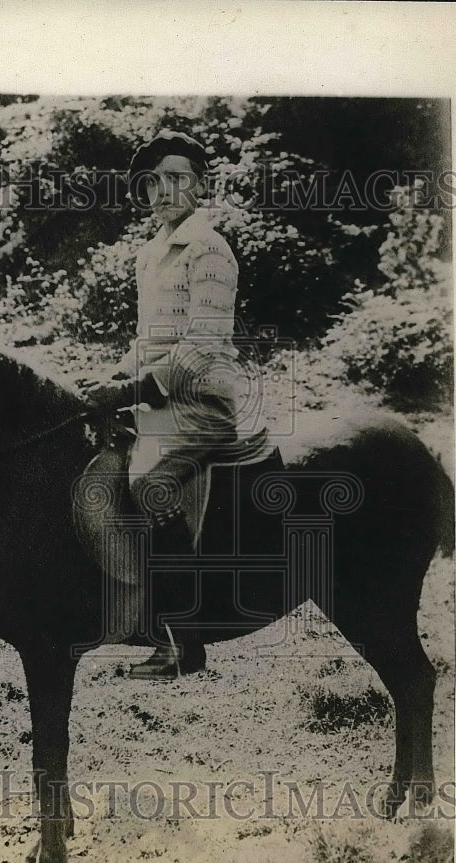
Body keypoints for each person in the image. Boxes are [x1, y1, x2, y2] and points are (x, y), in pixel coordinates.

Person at [83, 129, 269, 678]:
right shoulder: (149, 252)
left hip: (201, 403)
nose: (163, 190)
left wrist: (135, 389)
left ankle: (183, 642)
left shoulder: (210, 248)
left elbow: (204, 341)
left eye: (176, 179)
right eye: (154, 181)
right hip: (155, 401)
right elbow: (151, 338)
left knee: (148, 486)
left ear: (199, 186)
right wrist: (116, 379)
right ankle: (128, 616)